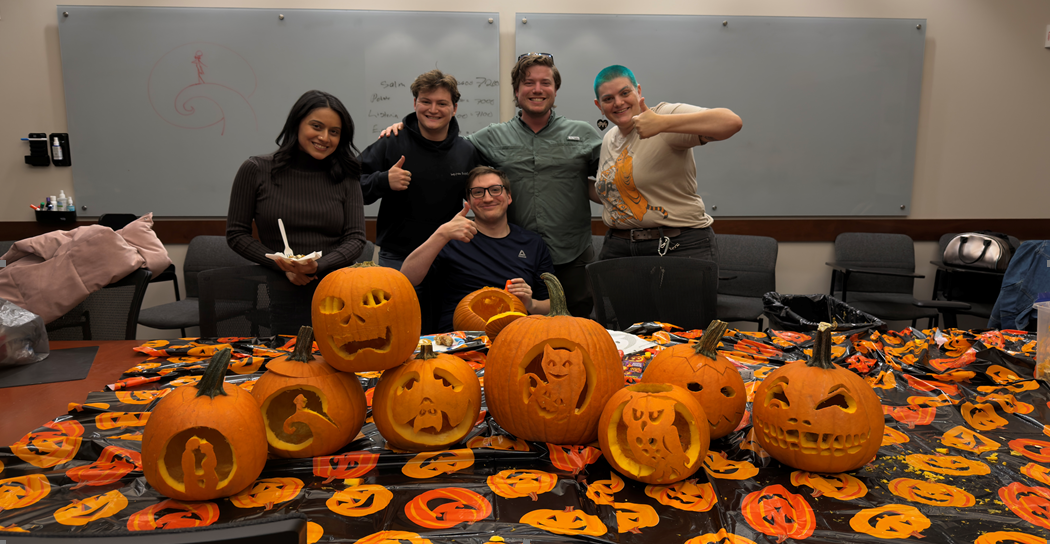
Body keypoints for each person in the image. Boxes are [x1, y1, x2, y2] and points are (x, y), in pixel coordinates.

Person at [383, 54, 601, 319]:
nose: (537, 89)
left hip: (572, 255)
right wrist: (409, 129)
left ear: (555, 90)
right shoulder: (490, 136)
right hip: (511, 256)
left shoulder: (584, 133)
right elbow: (444, 145)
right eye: (528, 82)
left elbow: (609, 181)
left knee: (574, 329)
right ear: (516, 91)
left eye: (545, 82)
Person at [226, 89, 366, 331]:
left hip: (339, 294)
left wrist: (318, 266)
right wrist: (281, 264)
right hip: (283, 292)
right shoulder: (256, 169)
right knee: (292, 363)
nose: (324, 137)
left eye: (334, 132)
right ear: (297, 124)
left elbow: (355, 239)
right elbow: (236, 234)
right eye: (317, 126)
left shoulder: (346, 175)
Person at [592, 65, 742, 261]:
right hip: (620, 247)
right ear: (599, 106)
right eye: (608, 99)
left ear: (638, 91)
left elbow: (731, 122)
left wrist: (662, 123)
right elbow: (617, 192)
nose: (618, 103)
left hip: (677, 246)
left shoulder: (663, 114)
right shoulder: (609, 138)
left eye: (625, 93)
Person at [401, 166, 554, 333]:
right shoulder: (451, 237)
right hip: (459, 340)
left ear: (509, 197)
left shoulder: (532, 243)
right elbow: (408, 278)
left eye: (495, 190)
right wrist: (441, 234)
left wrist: (530, 303)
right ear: (469, 201)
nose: (487, 198)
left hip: (514, 336)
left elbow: (551, 305)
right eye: (478, 192)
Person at [359, 70, 479, 269]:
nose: (433, 109)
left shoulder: (466, 151)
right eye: (425, 101)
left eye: (442, 103)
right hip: (397, 257)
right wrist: (383, 180)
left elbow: (481, 196)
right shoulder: (391, 142)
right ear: (415, 104)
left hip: (450, 256)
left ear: (454, 108)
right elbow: (348, 187)